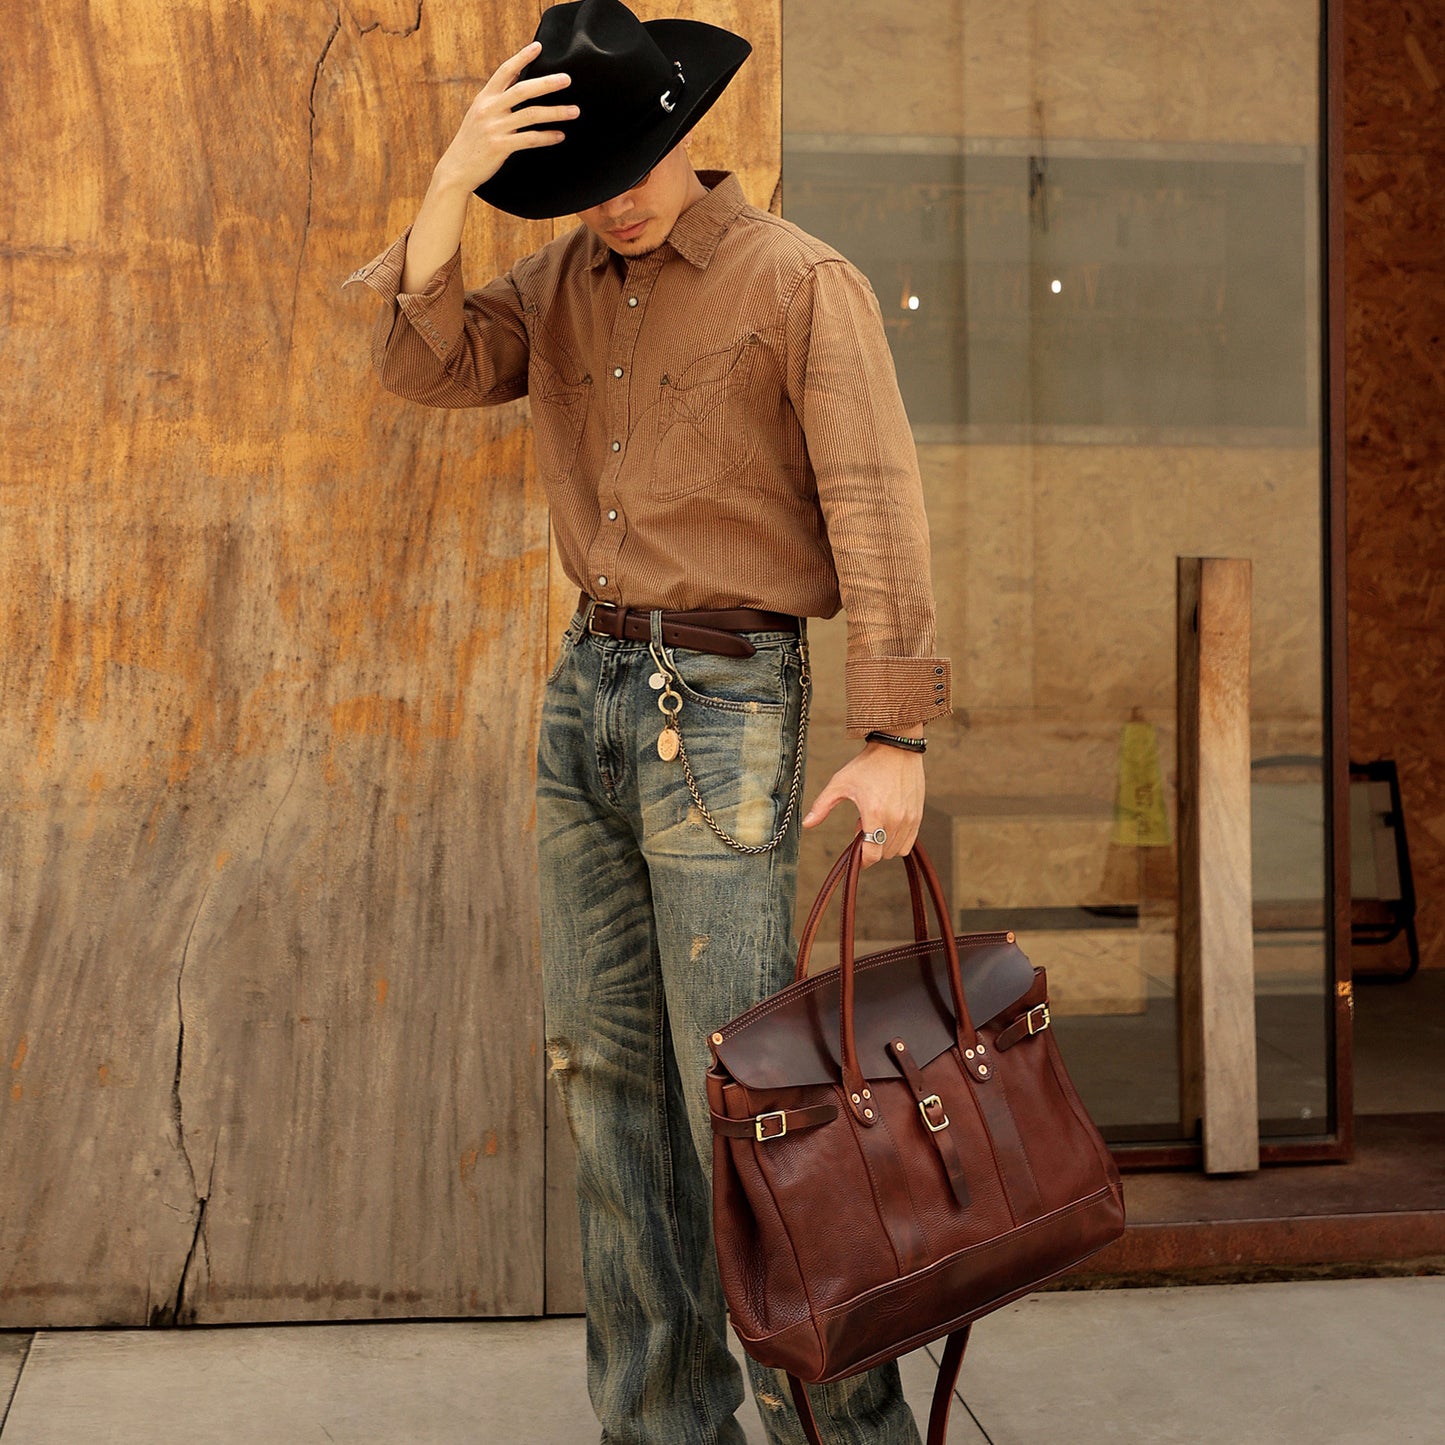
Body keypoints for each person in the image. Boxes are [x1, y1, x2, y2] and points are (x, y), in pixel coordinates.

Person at [348, 3, 950, 1440]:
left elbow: (876, 504)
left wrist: (895, 736)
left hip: (728, 706)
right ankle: (663, 1425)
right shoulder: (558, 277)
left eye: (633, 163)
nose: (614, 200)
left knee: (752, 1094)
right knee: (605, 1077)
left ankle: (839, 1430)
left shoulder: (798, 281)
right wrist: (451, 181)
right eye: (582, 178)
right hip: (588, 700)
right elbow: (425, 362)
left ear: (687, 129)